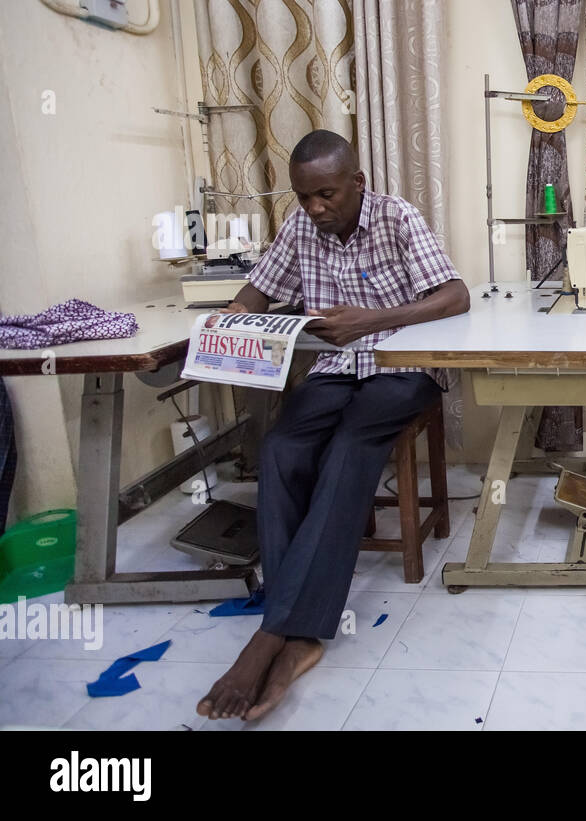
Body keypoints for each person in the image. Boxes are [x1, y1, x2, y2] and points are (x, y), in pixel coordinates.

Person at [196, 130, 470, 720]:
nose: (316, 209)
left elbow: (455, 295)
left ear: (357, 184)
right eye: (305, 198)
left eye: (327, 195)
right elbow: (260, 289)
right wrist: (238, 314)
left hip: (401, 365)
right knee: (280, 450)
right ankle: (296, 631)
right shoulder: (301, 228)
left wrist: (373, 319)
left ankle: (276, 634)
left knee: (349, 448)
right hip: (333, 368)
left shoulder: (397, 217)